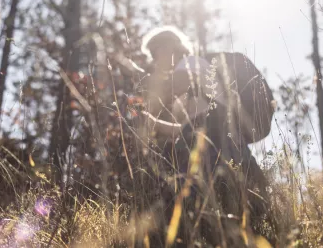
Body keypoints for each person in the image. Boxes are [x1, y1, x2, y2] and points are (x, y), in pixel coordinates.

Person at [115, 26, 276, 245]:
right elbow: (186, 129)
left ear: (170, 47)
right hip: (221, 144)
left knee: (188, 205)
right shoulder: (189, 92)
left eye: (155, 53)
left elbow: (172, 94)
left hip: (216, 143)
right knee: (231, 206)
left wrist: (136, 74)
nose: (154, 60)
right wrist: (153, 123)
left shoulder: (191, 63)